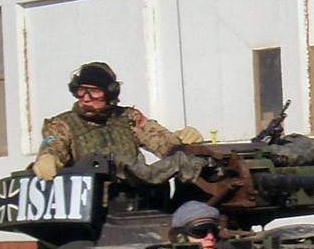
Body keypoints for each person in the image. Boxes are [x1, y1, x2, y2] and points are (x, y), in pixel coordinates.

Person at [33, 61, 203, 181]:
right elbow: (54, 145)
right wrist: (48, 157)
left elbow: (161, 141)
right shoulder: (63, 124)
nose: (86, 98)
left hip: (136, 197)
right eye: (81, 91)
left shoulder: (129, 118)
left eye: (94, 91)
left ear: (110, 94)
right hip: (92, 204)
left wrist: (182, 141)